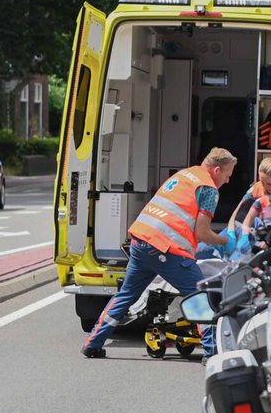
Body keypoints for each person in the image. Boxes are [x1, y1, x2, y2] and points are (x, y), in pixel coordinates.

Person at [83, 148, 237, 358]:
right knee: (200, 297)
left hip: (140, 240)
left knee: (126, 296)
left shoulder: (184, 175)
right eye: (228, 175)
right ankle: (212, 353)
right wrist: (224, 241)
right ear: (217, 170)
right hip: (166, 249)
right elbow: (202, 232)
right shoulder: (209, 189)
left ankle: (93, 343)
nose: (228, 180)